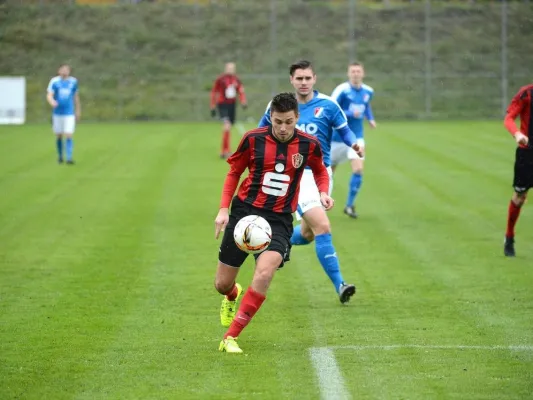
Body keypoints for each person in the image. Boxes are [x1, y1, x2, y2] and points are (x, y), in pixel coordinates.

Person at [214, 92, 333, 353]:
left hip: (279, 219)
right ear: (271, 117)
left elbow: (321, 168)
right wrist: (224, 210)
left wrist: (324, 191)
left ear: (296, 118)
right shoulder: (253, 139)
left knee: (265, 273)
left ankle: (230, 336)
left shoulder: (308, 144)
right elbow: (234, 171)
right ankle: (232, 294)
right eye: (277, 121)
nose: (282, 128)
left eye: (288, 122)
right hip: (244, 212)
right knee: (221, 284)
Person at [259, 60, 360, 304]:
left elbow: (344, 130)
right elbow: (260, 133)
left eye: (307, 78)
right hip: (295, 175)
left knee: (308, 233)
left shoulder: (328, 105)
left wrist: (353, 143)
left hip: (322, 173)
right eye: (299, 78)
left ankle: (276, 242)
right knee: (323, 226)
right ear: (291, 80)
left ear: (314, 79)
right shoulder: (279, 107)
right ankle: (340, 285)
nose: (303, 83)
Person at [330, 62, 376, 218]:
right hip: (336, 137)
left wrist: (370, 119)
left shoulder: (368, 91)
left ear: (363, 73)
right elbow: (331, 108)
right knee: (328, 173)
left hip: (356, 137)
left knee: (358, 169)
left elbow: (366, 106)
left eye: (358, 71)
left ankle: (349, 206)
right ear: (349, 74)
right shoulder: (341, 90)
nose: (356, 74)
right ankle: (319, 203)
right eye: (353, 71)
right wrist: (349, 112)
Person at [503, 83, 533, 257]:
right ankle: (509, 236)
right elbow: (508, 119)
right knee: (520, 197)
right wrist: (517, 134)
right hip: (527, 153)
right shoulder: (526, 93)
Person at [210, 62, 248, 159]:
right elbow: (214, 91)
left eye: (232, 68)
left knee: (229, 126)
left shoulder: (236, 79)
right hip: (222, 104)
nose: (230, 70)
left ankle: (226, 150)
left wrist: (243, 101)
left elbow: (240, 91)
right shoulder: (220, 79)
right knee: (226, 125)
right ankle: (224, 151)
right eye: (229, 68)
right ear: (225, 68)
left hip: (232, 105)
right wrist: (213, 105)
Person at [46, 64, 81, 164]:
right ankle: (60, 156)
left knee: (69, 134)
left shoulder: (73, 82)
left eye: (66, 70)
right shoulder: (55, 81)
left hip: (69, 112)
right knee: (59, 135)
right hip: (57, 113)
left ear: (69, 71)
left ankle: (69, 158)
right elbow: (49, 94)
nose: (64, 71)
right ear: (59, 70)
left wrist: (78, 110)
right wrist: (52, 101)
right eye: (63, 69)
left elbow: (76, 97)